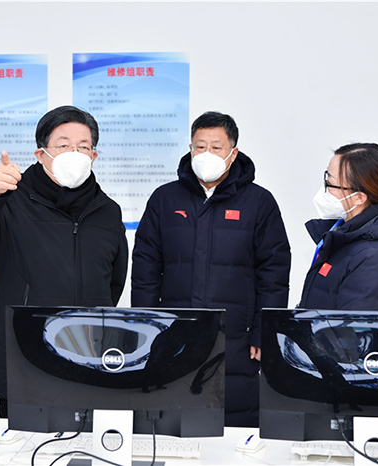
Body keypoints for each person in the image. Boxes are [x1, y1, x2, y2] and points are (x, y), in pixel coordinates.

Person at [0, 105, 129, 416]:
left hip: (89, 358)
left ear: (94, 156)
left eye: (83, 147)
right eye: (63, 145)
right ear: (41, 154)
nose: (74, 154)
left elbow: (113, 282)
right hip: (24, 356)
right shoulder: (12, 199)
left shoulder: (108, 211)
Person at [131, 111, 291, 427]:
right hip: (174, 334)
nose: (207, 154)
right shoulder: (165, 199)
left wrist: (264, 330)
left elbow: (273, 273)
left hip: (236, 336)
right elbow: (146, 268)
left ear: (233, 153)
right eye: (200, 146)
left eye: (216, 147)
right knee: (172, 420)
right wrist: (147, 326)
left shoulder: (259, 202)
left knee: (234, 422)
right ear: (190, 148)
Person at [299, 143, 378, 310]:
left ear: (359, 197)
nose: (324, 190)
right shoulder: (346, 233)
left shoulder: (375, 258)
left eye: (330, 184)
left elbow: (355, 325)